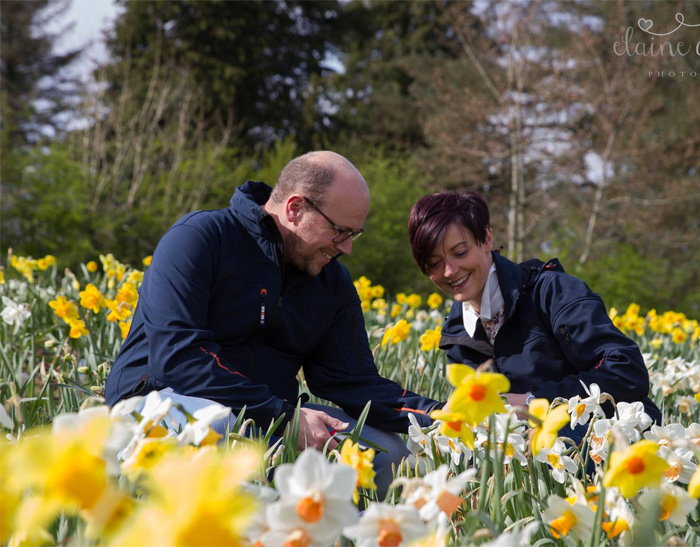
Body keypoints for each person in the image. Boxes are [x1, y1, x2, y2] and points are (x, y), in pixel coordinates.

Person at [105, 151, 442, 497]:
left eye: (353, 235)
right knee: (219, 427)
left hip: (267, 417)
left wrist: (446, 417)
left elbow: (354, 381)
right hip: (157, 402)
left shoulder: (332, 282)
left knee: (388, 454)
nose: (346, 249)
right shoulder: (201, 238)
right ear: (295, 209)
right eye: (340, 231)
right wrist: (282, 416)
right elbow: (178, 356)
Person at [407, 191, 662, 443]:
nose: (450, 271)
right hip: (525, 455)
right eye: (434, 264)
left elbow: (627, 370)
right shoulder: (457, 334)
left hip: (611, 435)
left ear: (486, 239)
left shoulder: (552, 292)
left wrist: (532, 402)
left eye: (460, 253)